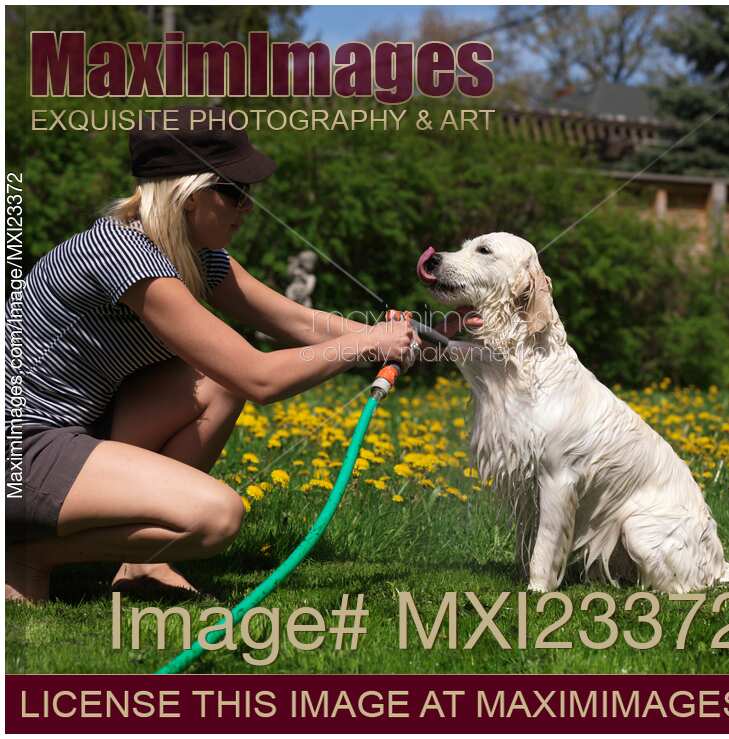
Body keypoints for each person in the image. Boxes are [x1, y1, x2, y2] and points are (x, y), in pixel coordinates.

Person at [5, 107, 425, 603]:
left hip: (71, 430)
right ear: (184, 193)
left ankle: (142, 561)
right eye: (234, 191)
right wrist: (367, 342)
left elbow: (298, 323)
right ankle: (28, 556)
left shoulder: (198, 255)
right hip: (22, 446)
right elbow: (259, 378)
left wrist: (385, 335)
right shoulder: (125, 256)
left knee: (214, 381)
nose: (247, 207)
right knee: (216, 517)